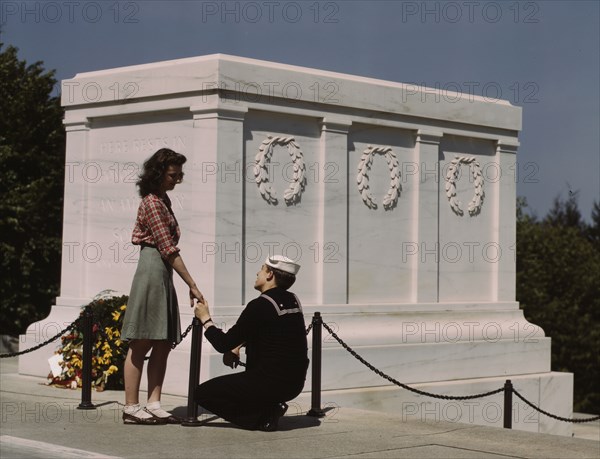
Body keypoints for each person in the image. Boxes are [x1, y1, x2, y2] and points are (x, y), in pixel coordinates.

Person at [120, 148, 205, 425]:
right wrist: (192, 284)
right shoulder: (153, 203)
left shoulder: (163, 200)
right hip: (153, 267)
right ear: (158, 173)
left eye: (180, 175)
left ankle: (153, 402)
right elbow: (167, 248)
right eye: (172, 174)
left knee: (162, 341)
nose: (177, 180)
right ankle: (131, 406)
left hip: (161, 271)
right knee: (142, 340)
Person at [193, 255, 309, 431]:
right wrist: (238, 345)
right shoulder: (293, 300)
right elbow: (271, 332)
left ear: (270, 274)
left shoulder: (259, 305)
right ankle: (269, 407)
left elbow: (222, 344)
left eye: (262, 269)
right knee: (244, 385)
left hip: (268, 383)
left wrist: (205, 319)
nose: (257, 272)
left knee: (201, 394)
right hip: (294, 384)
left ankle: (262, 417)